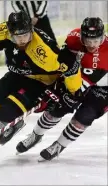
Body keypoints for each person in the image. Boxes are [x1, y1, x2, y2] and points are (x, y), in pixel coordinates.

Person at [0, 11, 82, 164]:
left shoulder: (44, 50)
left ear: (31, 30)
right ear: (10, 32)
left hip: (39, 81)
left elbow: (70, 67)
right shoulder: (2, 31)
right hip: (16, 74)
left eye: (25, 35)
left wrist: (73, 91)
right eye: (17, 36)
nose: (22, 39)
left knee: (7, 112)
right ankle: (12, 125)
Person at [16, 17, 108, 161]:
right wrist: (61, 87)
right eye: (88, 41)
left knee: (85, 116)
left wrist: (72, 95)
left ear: (102, 37)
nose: (91, 45)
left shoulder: (106, 54)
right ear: (82, 35)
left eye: (95, 41)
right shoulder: (73, 38)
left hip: (104, 87)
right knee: (56, 107)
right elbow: (63, 61)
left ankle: (59, 145)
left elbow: (89, 81)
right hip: (79, 77)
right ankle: (35, 135)